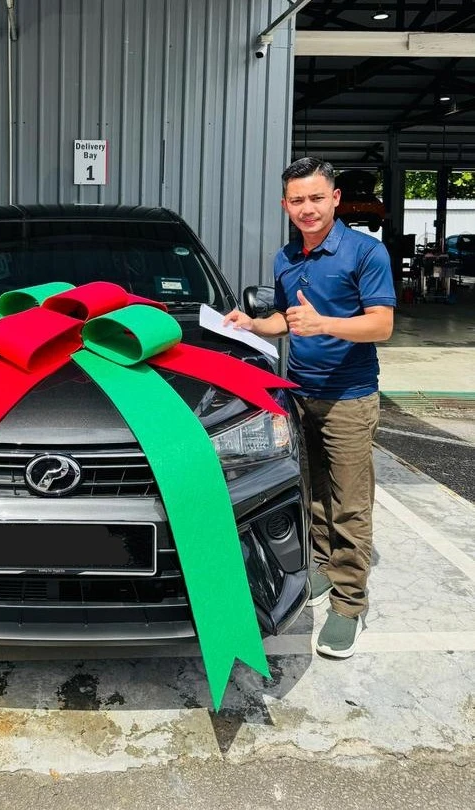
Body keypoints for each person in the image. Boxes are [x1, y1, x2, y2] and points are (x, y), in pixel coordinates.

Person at [224, 156, 396, 658]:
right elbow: (286, 317)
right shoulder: (285, 257)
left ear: (335, 198)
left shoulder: (366, 252)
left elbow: (381, 324)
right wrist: (254, 325)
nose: (308, 208)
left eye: (317, 197)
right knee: (313, 490)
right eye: (297, 200)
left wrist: (326, 324)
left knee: (350, 502)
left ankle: (349, 602)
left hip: (349, 397)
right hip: (299, 392)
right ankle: (322, 564)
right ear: (285, 205)